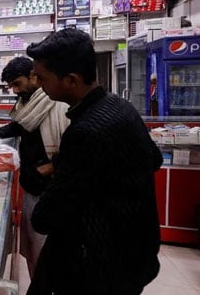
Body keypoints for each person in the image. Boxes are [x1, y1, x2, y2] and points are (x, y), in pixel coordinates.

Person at [25, 29, 161, 295]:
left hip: (101, 266)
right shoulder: (120, 106)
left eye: (42, 78)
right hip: (136, 253)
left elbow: (49, 214)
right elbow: (152, 159)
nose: (38, 85)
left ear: (71, 80)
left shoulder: (85, 130)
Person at [0, 56, 69, 277]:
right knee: (34, 247)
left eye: (17, 84)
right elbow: (20, 126)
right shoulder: (27, 105)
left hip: (51, 190)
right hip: (31, 186)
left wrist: (51, 167)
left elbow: (78, 148)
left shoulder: (57, 104)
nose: (15, 91)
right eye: (11, 87)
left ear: (33, 76)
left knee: (48, 251)